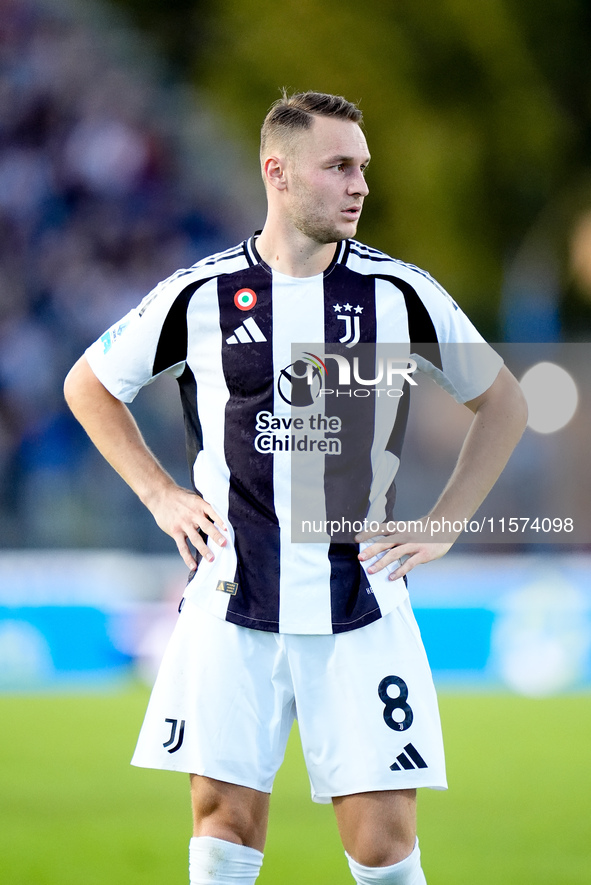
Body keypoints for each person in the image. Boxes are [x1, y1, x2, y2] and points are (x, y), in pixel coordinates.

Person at [64, 91, 528, 885]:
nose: (359, 185)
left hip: (361, 598)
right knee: (224, 824)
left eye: (363, 168)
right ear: (277, 173)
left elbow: (504, 401)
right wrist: (158, 494)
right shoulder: (198, 295)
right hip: (230, 597)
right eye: (339, 166)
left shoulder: (399, 293)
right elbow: (90, 384)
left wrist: (445, 521)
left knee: (382, 841)